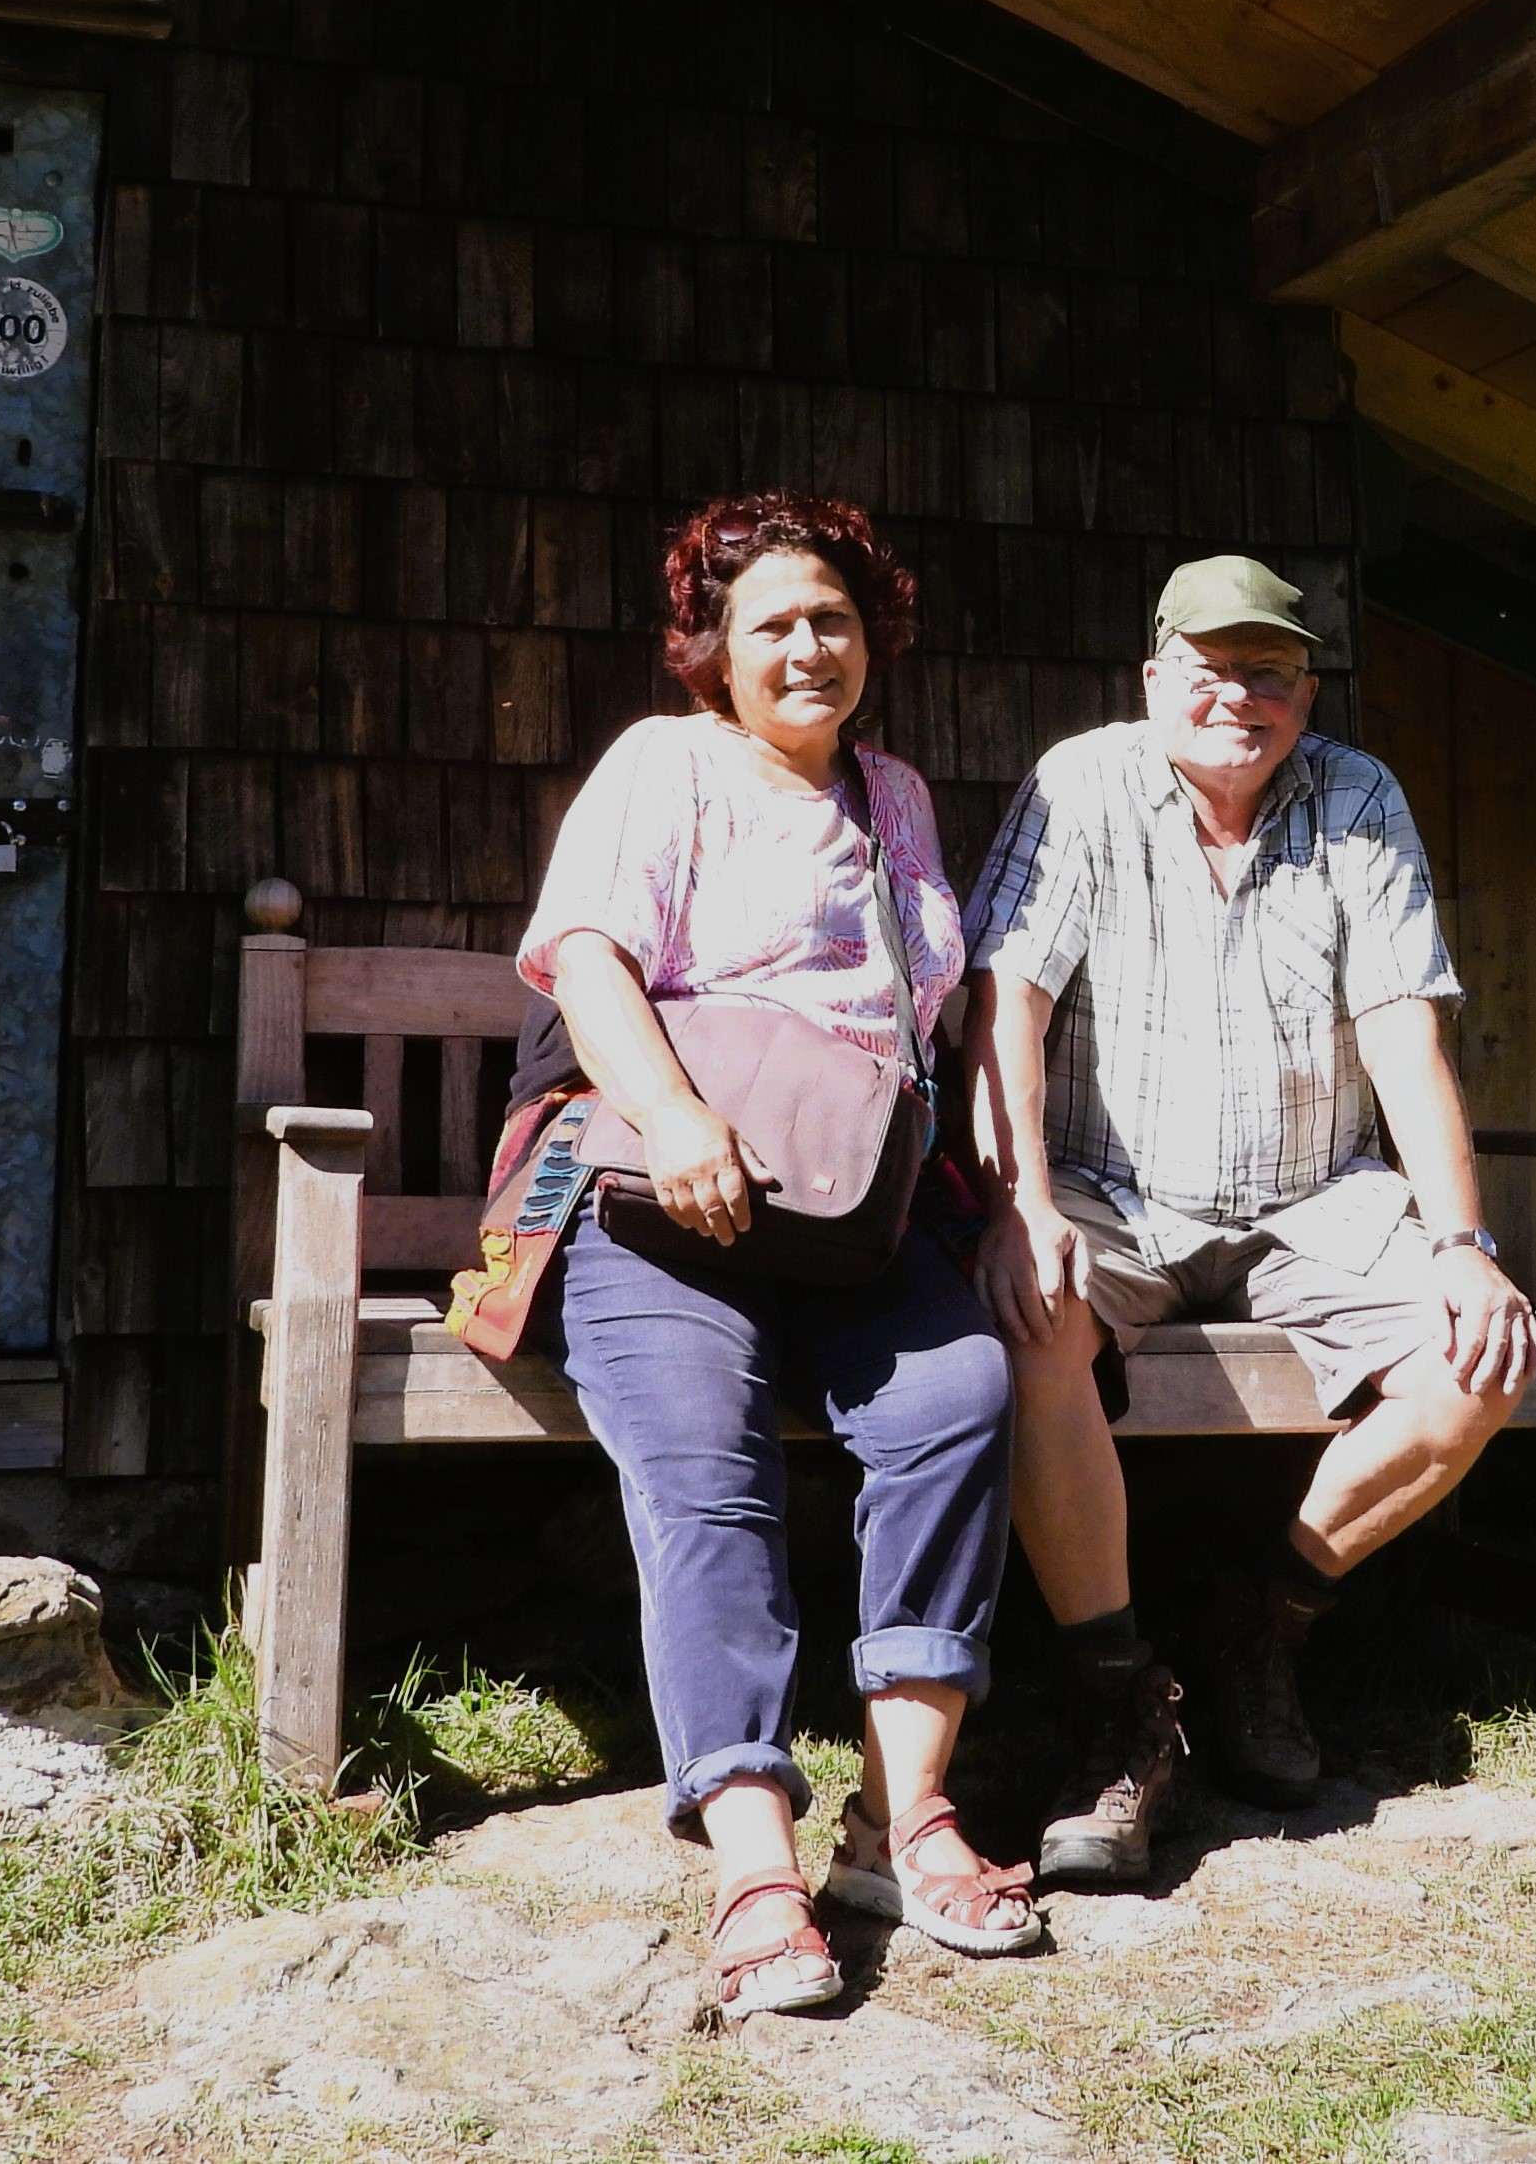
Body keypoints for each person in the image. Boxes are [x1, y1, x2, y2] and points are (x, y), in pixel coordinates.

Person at [515, 490, 1037, 2016]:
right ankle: (754, 1862)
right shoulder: (664, 763)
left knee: (956, 1401)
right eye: (775, 624)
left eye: (835, 619)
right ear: (714, 649)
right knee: (705, 1464)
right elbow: (588, 958)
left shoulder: (896, 796)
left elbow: (930, 1016)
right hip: (665, 1204)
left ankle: (901, 1820)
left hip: (849, 1212)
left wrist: (1005, 1198)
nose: (811, 647)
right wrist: (677, 1118)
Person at [967, 554, 1536, 1884]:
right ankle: (1116, 1702)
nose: (1239, 696)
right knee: (1025, 1325)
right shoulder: (1080, 784)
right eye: (1211, 669)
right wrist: (1021, 1204)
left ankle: (1263, 1622)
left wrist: (1464, 1247)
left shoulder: (1358, 796)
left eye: (1269, 673)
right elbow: (1007, 1008)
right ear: (1153, 678)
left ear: (1308, 693)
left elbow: (1402, 1035)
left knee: (1480, 1364)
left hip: (1313, 1197)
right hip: (1108, 1188)